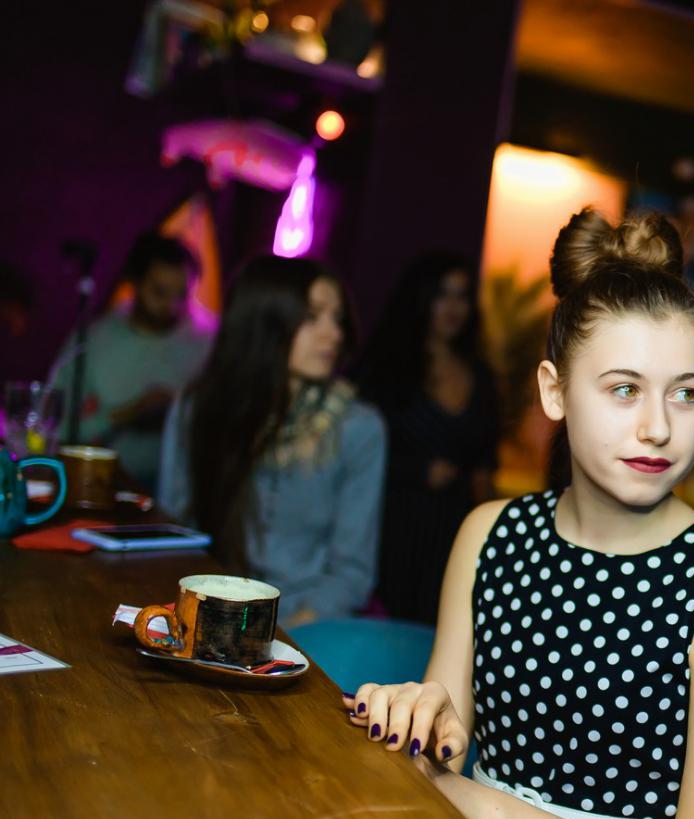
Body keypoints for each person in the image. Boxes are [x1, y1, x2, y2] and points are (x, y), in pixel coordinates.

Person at [340, 209, 694, 819]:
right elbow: (448, 745)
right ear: (554, 391)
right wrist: (416, 718)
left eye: (686, 394)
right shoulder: (490, 534)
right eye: (623, 390)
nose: (657, 427)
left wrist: (492, 814)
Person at [159, 256, 386, 627]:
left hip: (305, 626)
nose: (334, 333)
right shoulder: (199, 408)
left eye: (337, 318)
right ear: (263, 322)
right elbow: (174, 534)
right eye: (312, 317)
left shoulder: (357, 427)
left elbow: (351, 573)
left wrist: (283, 635)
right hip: (208, 610)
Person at [359, 252, 500, 622]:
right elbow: (356, 454)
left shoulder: (481, 376)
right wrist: (417, 471)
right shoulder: (386, 370)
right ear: (422, 300)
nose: (453, 307)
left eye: (462, 296)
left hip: (454, 529)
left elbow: (486, 461)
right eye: (442, 295)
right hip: (394, 526)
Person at [49, 232, 211, 492]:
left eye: (181, 295)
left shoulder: (208, 343)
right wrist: (131, 412)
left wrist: (180, 410)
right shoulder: (92, 341)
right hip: (102, 483)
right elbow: (57, 426)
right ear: (134, 281)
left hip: (181, 490)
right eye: (159, 292)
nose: (171, 305)